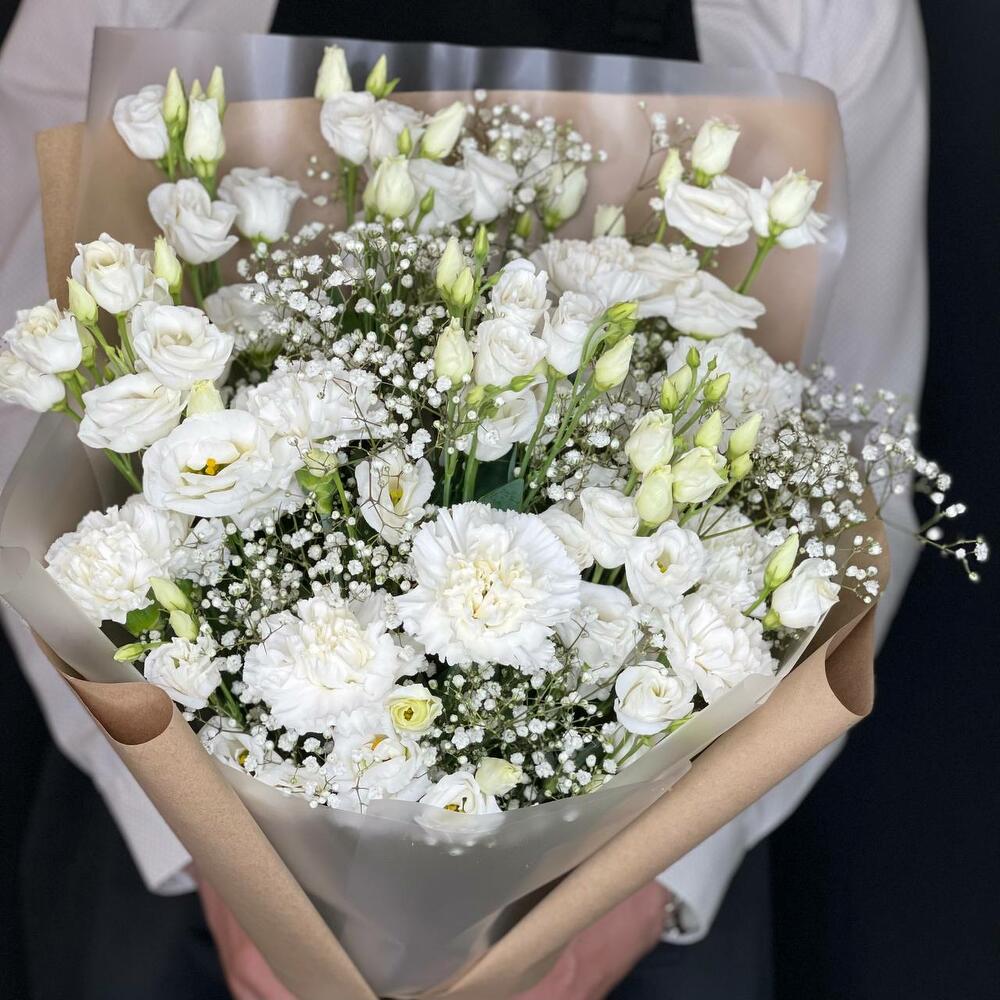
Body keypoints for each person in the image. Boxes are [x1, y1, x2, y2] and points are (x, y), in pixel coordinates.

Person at [0, 1, 928, 997]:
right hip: (176, 885)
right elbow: (35, 389)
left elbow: (855, 452)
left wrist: (645, 887)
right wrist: (216, 858)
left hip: (635, 914)